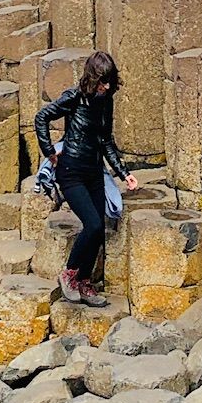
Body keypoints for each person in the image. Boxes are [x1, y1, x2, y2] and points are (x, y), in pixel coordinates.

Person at [34, 51, 137, 307]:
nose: (106, 87)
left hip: (93, 172)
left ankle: (84, 283)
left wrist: (124, 173)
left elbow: (106, 141)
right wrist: (49, 151)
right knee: (91, 224)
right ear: (92, 78)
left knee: (98, 230)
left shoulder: (106, 100)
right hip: (71, 173)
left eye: (110, 82)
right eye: (103, 82)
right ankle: (69, 275)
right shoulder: (74, 97)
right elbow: (41, 117)